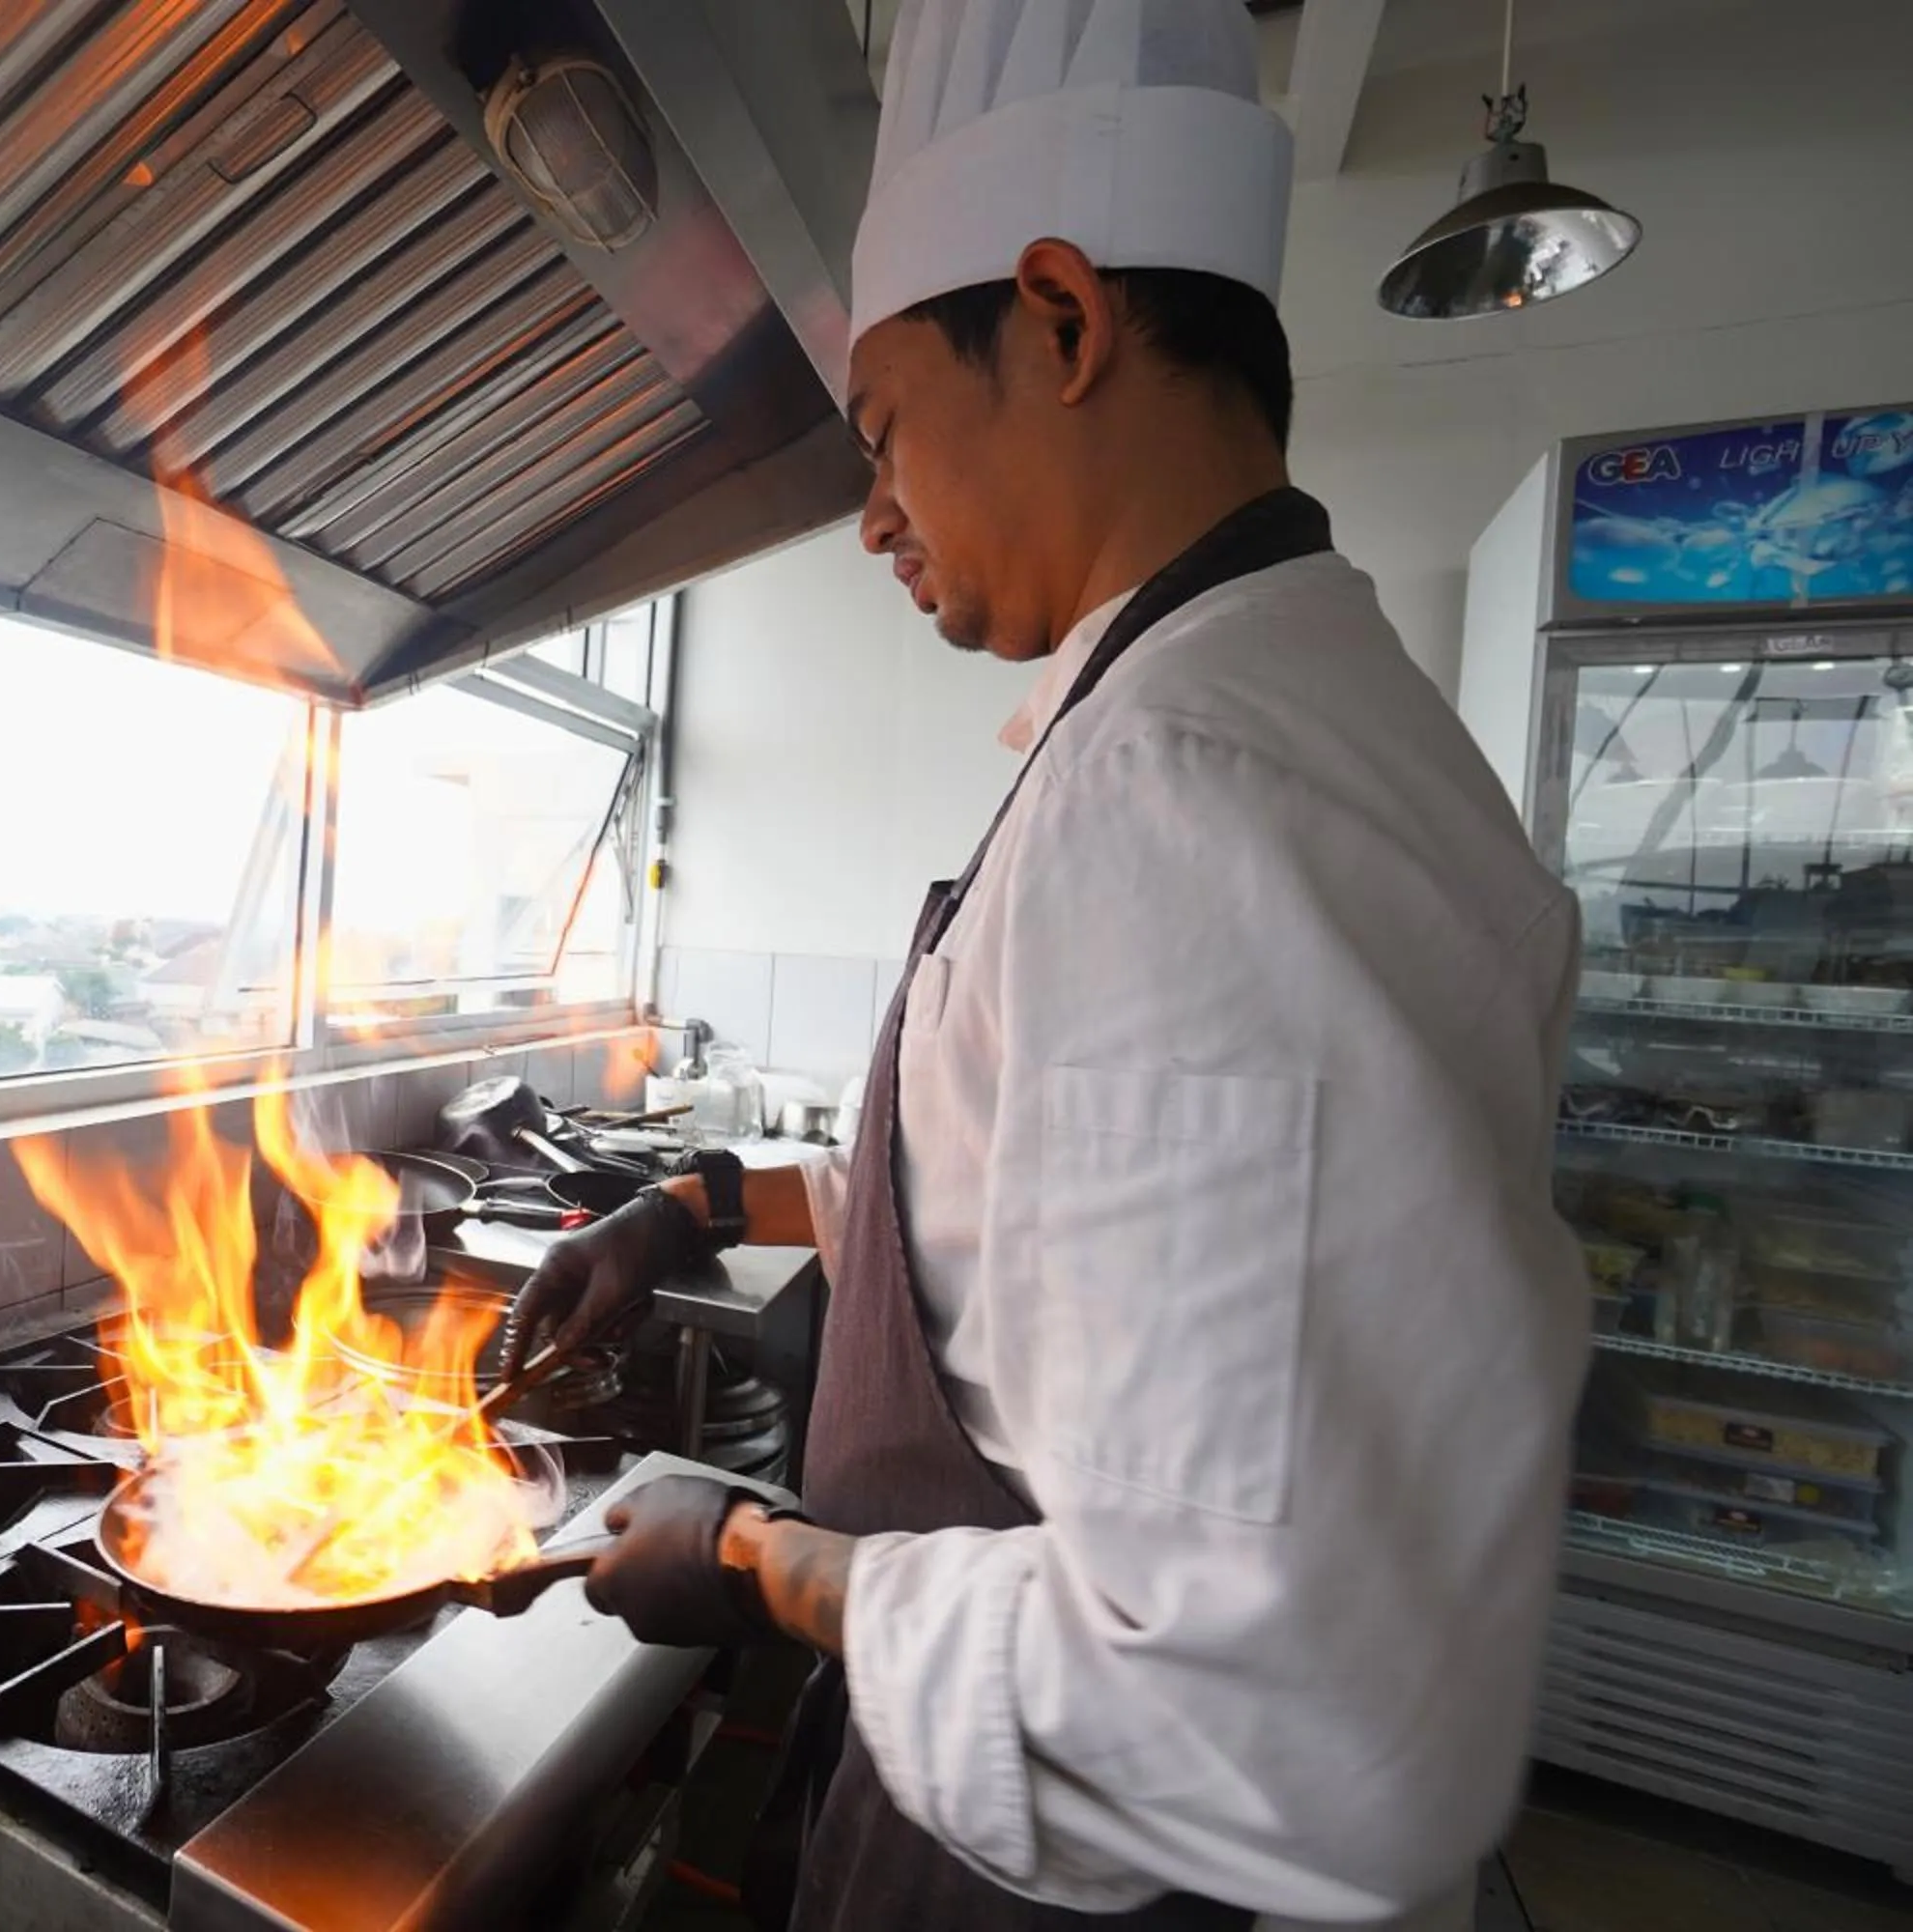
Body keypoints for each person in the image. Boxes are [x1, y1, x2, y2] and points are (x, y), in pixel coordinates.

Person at [499, 3, 1589, 1927]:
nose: (873, 516)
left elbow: (1249, 1704)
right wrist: (681, 1209)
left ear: (1066, 322)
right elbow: (1006, 1238)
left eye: (889, 427)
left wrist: (762, 1556)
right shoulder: (1250, 720)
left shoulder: (1186, 806)